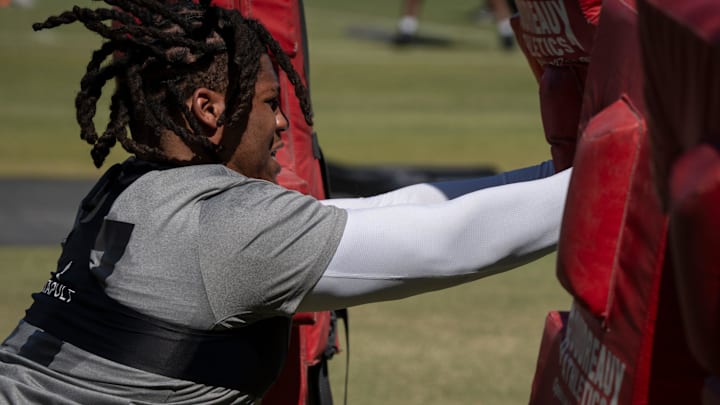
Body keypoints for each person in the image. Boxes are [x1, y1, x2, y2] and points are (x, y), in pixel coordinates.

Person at [0, 1, 571, 404]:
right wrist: (626, 166)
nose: (282, 124)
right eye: (272, 103)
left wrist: (558, 174)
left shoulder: (129, 188)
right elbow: (449, 244)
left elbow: (385, 213)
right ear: (208, 109)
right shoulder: (225, 232)